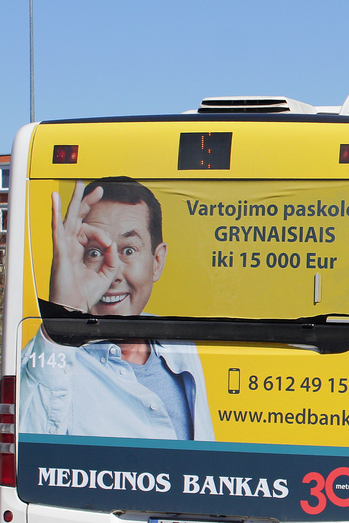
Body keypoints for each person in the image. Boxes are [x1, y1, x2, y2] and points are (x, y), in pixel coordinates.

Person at [20, 177, 214, 441]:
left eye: (129, 250)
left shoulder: (181, 345)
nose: (112, 274)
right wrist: (64, 318)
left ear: (157, 262)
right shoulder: (48, 359)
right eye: (94, 253)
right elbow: (28, 455)